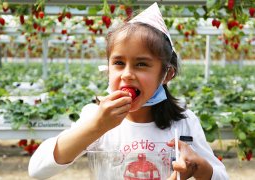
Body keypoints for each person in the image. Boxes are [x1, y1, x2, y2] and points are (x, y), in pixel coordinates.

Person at [29, 3, 228, 180]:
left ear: (167, 74)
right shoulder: (95, 116)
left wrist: (199, 168)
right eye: (118, 63)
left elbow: (221, 176)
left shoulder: (183, 123)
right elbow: (37, 170)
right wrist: (96, 126)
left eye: (141, 64)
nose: (127, 74)